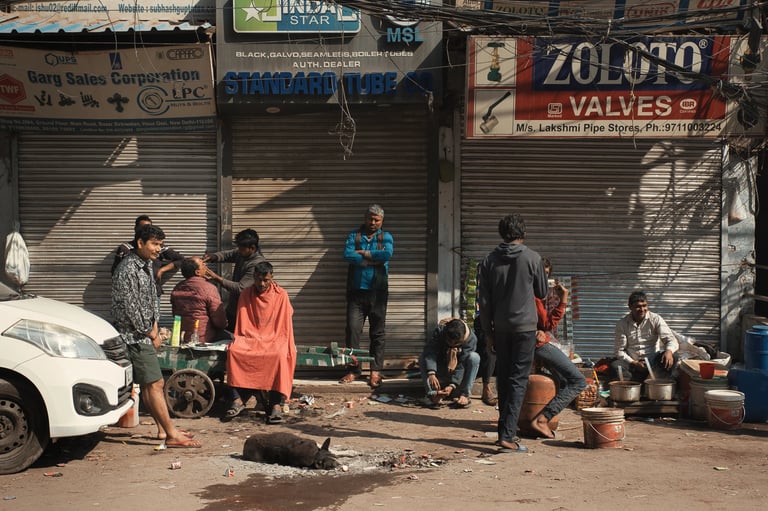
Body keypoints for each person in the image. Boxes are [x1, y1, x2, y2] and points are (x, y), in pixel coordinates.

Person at [111, 224, 201, 448]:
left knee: (152, 383)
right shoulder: (127, 270)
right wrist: (149, 331)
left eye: (160, 245)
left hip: (145, 333)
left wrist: (156, 326)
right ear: (140, 243)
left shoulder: (147, 265)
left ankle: (164, 430)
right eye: (154, 244)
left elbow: (151, 300)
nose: (158, 249)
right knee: (155, 383)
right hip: (134, 336)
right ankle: (171, 434)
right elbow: (130, 308)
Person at [477, 213, 547, 453]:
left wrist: (488, 332)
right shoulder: (533, 258)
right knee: (517, 381)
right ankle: (507, 436)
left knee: (504, 380)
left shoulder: (488, 261)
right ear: (523, 233)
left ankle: (504, 432)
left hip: (500, 329)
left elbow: (483, 302)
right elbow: (542, 291)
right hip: (525, 329)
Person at [224, 261, 296, 424]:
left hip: (275, 338)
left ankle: (276, 403)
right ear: (254, 278)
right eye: (258, 280)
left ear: (272, 278)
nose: (261, 284)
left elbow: (284, 325)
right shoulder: (246, 294)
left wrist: (271, 339)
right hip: (250, 337)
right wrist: (252, 338)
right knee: (234, 352)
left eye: (266, 280)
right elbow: (243, 323)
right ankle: (237, 399)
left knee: (279, 355)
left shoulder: (281, 295)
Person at [528, 258, 587, 439]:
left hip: (523, 342)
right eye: (540, 274)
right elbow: (546, 323)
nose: (543, 278)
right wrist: (563, 300)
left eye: (546, 275)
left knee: (559, 377)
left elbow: (545, 325)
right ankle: (543, 419)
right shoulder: (532, 294)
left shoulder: (528, 291)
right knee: (578, 381)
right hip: (535, 343)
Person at [339, 204, 394, 389]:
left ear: (382, 221)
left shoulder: (386, 237)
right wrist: (369, 260)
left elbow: (386, 254)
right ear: (365, 218)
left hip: (378, 293)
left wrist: (364, 253)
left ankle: (375, 371)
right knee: (353, 331)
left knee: (377, 333)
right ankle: (354, 370)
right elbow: (347, 254)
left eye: (376, 220)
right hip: (356, 292)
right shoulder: (354, 236)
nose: (373, 222)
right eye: (370, 219)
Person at [203, 228, 266, 331]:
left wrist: (216, 278)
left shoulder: (256, 264)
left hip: (245, 311)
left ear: (252, 247)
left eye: (241, 249)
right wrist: (213, 256)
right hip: (233, 309)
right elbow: (227, 254)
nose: (239, 251)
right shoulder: (242, 253)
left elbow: (240, 288)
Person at [111, 215, 184, 302]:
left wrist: (162, 270)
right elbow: (115, 273)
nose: (158, 249)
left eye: (149, 227)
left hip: (153, 294)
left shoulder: (158, 249)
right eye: (143, 227)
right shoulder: (126, 249)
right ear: (136, 229)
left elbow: (181, 259)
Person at [611, 290, 679, 382]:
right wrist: (634, 363)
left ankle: (657, 384)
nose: (642, 309)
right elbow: (619, 351)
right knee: (617, 365)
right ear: (630, 307)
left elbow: (671, 340)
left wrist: (669, 351)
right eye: (638, 307)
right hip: (633, 362)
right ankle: (633, 386)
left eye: (644, 306)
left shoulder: (655, 319)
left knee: (673, 357)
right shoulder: (622, 324)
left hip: (653, 361)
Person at [420, 318, 480, 408]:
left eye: (456, 343)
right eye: (449, 341)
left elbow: (462, 365)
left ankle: (465, 395)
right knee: (423, 357)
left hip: (459, 377)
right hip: (440, 372)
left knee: (474, 357)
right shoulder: (440, 332)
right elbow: (430, 352)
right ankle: (433, 395)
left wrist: (452, 385)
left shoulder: (471, 339)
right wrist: (431, 373)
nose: (452, 344)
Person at [170, 257, 230, 344]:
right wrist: (224, 324)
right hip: (203, 337)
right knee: (231, 339)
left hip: (182, 336)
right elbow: (219, 320)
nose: (206, 266)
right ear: (197, 272)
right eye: (203, 264)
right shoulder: (209, 288)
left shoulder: (177, 287)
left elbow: (175, 314)